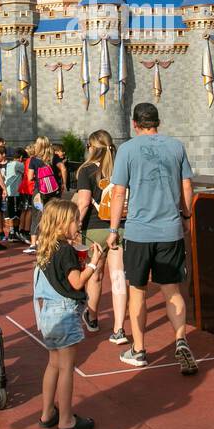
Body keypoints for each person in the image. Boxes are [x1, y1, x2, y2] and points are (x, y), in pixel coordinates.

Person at [108, 103, 197, 375]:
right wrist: (185, 215)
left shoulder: (126, 150)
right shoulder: (176, 147)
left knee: (138, 291)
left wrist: (113, 230)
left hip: (138, 232)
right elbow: (186, 185)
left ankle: (139, 349)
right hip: (169, 230)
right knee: (172, 289)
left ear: (135, 124)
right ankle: (180, 339)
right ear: (158, 121)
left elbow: (119, 192)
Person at [34, 199, 102, 429]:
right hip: (64, 312)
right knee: (66, 368)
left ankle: (47, 413)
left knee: (53, 364)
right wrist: (93, 264)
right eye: (74, 220)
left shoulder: (47, 247)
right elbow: (76, 282)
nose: (78, 224)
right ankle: (65, 420)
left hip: (48, 313)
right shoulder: (65, 251)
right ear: (62, 224)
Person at [73, 129, 129, 344]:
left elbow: (84, 202)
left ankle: (92, 316)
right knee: (117, 276)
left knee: (95, 274)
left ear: (92, 148)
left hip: (93, 228)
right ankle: (119, 328)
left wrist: (76, 225)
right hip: (118, 226)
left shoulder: (86, 170)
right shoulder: (119, 168)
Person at [3, 148, 26, 243]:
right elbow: (27, 171)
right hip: (15, 192)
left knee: (10, 213)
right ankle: (14, 232)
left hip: (8, 192)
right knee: (15, 214)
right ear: (20, 157)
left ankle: (12, 232)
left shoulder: (8, 164)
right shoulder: (18, 164)